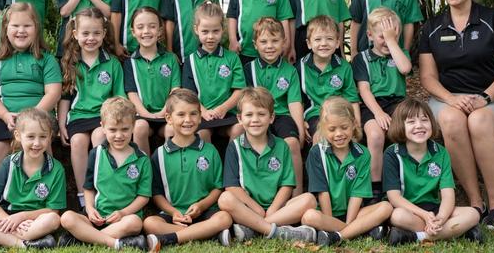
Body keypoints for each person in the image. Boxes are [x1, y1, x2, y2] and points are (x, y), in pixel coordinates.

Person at [419, 0, 494, 231]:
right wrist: (451, 99)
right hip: (446, 100)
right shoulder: (432, 27)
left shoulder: (493, 20)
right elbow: (427, 77)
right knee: (452, 120)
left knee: (479, 120)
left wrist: (484, 98)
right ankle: (476, 203)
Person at [218, 87, 318, 243]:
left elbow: (287, 184)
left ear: (271, 118)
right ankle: (278, 231)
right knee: (225, 199)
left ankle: (253, 228)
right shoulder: (235, 147)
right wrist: (255, 208)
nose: (255, 120)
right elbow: (231, 186)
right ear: (239, 118)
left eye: (261, 114)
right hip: (248, 208)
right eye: (249, 115)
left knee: (309, 200)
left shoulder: (282, 146)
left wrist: (272, 209)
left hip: (278, 208)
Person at [0, 2, 62, 181]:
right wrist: (4, 114)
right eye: (15, 26)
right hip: (6, 117)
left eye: (27, 26)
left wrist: (32, 117)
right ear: (5, 29)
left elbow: (53, 92)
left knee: (41, 146)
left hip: (39, 116)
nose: (21, 31)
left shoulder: (47, 59)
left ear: (36, 29)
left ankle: (43, 192)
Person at [382, 98, 482, 245]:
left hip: (434, 209)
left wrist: (441, 218)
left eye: (424, 120)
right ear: (400, 126)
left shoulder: (440, 153)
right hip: (408, 210)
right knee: (397, 216)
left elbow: (448, 194)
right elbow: (394, 198)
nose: (419, 126)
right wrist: (424, 215)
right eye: (411, 122)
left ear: (432, 123)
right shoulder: (392, 153)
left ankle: (416, 237)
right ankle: (458, 231)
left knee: (473, 214)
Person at [0, 108, 66, 251]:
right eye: (30, 136)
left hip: (35, 220)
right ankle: (23, 244)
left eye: (43, 137)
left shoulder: (56, 169)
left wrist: (22, 217)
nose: (37, 143)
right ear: (18, 135)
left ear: (50, 137)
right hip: (6, 217)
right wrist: (9, 220)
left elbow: (53, 211)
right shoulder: (9, 163)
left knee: (53, 220)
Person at [143, 89, 232, 249]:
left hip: (205, 212)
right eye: (181, 114)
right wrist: (173, 212)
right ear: (168, 118)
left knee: (224, 218)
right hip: (175, 214)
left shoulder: (210, 151)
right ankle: (206, 234)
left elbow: (218, 188)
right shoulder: (160, 154)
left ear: (200, 117)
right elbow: (156, 194)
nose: (188, 120)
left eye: (193, 114)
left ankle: (172, 238)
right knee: (150, 223)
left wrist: (202, 206)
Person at [58, 97, 152, 250]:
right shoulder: (96, 154)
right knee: (67, 218)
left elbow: (144, 197)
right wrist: (89, 208)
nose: (119, 135)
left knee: (134, 223)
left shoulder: (142, 159)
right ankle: (113, 242)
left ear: (133, 127)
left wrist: (123, 212)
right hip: (97, 218)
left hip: (124, 219)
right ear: (102, 127)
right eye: (112, 130)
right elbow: (88, 187)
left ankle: (85, 238)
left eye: (125, 129)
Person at [301, 96, 393, 247]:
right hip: (326, 214)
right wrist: (329, 222)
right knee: (309, 216)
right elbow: (322, 193)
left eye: (344, 127)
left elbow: (357, 195)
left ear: (354, 124)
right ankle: (359, 230)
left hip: (355, 213)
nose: (339, 134)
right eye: (332, 129)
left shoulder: (363, 154)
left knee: (386, 207)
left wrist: (348, 223)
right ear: (323, 128)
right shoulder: (317, 153)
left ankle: (339, 235)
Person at [58, 7, 124, 211]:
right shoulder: (69, 63)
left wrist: (112, 120)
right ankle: (82, 195)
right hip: (78, 116)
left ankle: (102, 191)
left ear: (104, 34)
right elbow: (65, 97)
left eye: (96, 33)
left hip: (103, 117)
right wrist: (61, 125)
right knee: (77, 141)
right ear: (76, 34)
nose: (91, 38)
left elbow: (119, 97)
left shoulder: (112, 63)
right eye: (85, 33)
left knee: (98, 138)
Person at [352, 8, 412, 202]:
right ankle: (375, 187)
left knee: (405, 130)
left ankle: (403, 182)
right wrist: (378, 113)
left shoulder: (400, 53)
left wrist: (392, 41)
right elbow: (364, 90)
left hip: (397, 103)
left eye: (393, 35)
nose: (387, 41)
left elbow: (404, 68)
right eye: (382, 37)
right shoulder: (361, 58)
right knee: (376, 135)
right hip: (371, 105)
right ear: (369, 35)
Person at [244, 17, 305, 196]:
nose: (269, 46)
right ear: (255, 44)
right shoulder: (249, 69)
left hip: (281, 115)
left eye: (275, 41)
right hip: (257, 115)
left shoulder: (290, 71)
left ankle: (297, 196)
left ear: (284, 42)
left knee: (292, 143)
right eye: (263, 41)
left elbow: (294, 102)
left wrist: (300, 131)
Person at [182, 1, 245, 142]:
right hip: (201, 114)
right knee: (202, 133)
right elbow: (188, 94)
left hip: (228, 113)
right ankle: (211, 164)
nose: (210, 36)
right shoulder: (190, 61)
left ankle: (231, 162)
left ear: (222, 29)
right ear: (196, 29)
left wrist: (223, 108)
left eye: (215, 31)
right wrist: (203, 111)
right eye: (205, 31)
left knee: (239, 128)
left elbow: (240, 91)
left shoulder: (232, 58)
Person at [123, 7, 180, 155]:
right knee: (139, 127)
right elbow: (132, 93)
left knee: (172, 128)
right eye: (140, 27)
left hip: (167, 115)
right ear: (133, 32)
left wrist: (164, 111)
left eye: (152, 26)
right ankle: (145, 172)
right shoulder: (130, 62)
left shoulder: (170, 59)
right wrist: (145, 114)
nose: (146, 31)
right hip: (142, 116)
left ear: (160, 30)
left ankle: (167, 173)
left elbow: (175, 89)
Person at [297, 15, 360, 142]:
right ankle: (320, 162)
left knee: (350, 139)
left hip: (340, 114)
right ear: (309, 43)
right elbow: (297, 101)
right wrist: (300, 123)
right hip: (315, 114)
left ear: (337, 43)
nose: (324, 44)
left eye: (329, 39)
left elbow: (352, 99)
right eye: (318, 39)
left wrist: (357, 125)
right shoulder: (300, 67)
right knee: (320, 138)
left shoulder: (344, 67)